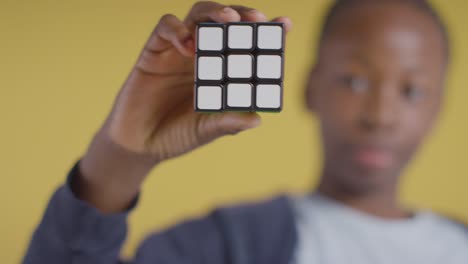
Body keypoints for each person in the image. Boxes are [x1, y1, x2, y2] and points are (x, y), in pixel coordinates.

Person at [24, 0, 468, 263]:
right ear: (309, 87)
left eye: (412, 90)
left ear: (439, 107)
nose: (380, 116)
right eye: (353, 80)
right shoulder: (225, 244)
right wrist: (118, 157)